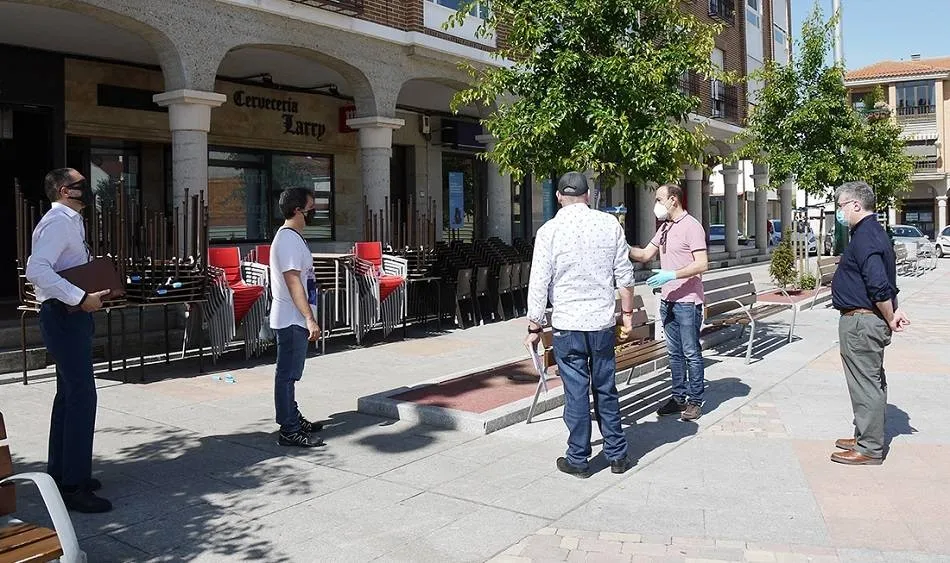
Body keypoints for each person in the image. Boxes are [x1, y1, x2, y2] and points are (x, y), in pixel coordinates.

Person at [525, 171, 637, 478]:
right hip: (601, 323)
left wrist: (534, 326)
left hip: (568, 324)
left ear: (559, 196)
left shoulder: (549, 231)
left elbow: (539, 281)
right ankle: (617, 455)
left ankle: (578, 458)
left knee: (575, 392)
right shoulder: (609, 224)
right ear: (588, 195)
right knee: (606, 388)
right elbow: (625, 276)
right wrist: (627, 315)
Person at [25, 168, 112, 513]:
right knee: (81, 397)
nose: (88, 189)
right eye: (81, 185)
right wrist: (79, 297)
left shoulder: (71, 221)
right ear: (65, 190)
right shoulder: (58, 223)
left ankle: (63, 474)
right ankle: (74, 486)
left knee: (69, 396)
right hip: (63, 314)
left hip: (70, 314)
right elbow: (37, 270)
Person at [830, 181, 909, 465]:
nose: (839, 212)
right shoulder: (873, 232)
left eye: (841, 206)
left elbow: (878, 284)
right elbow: (884, 279)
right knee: (870, 381)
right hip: (864, 320)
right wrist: (893, 311)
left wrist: (890, 315)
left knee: (865, 384)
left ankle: (869, 448)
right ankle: (866, 435)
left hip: (861, 323)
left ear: (855, 205)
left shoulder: (865, 236)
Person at [628, 183, 709, 421]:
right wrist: (621, 245)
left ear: (673, 199)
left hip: (688, 302)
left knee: (691, 352)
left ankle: (695, 401)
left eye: (659, 199)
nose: (656, 204)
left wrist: (672, 275)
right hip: (668, 300)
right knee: (674, 353)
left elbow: (702, 263)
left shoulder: (691, 226)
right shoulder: (665, 227)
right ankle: (678, 397)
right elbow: (645, 254)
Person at [270, 187, 324, 448]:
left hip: (294, 318)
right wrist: (309, 318)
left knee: (290, 373)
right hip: (291, 318)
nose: (314, 212)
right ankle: (289, 429)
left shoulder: (293, 238)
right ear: (297, 210)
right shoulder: (288, 240)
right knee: (287, 374)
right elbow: (293, 283)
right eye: (310, 208)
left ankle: (292, 417)